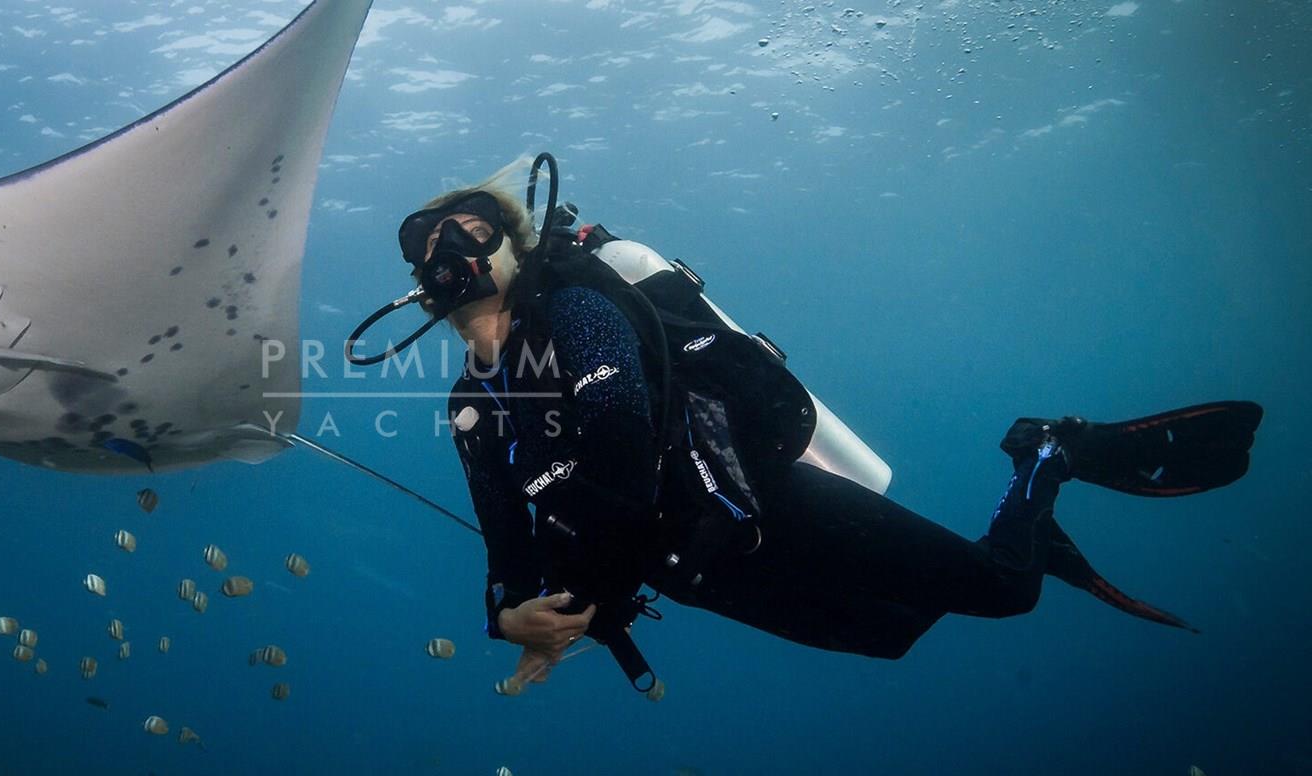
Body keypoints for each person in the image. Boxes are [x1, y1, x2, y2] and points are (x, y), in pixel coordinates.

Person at [353, 158, 1263, 693]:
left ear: (513, 247)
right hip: (694, 571)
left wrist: (583, 591)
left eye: (468, 227)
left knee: (1002, 590)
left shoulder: (578, 313)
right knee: (892, 634)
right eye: (423, 243)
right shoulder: (472, 409)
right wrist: (510, 619)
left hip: (758, 509)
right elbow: (504, 541)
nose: (445, 249)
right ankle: (1030, 515)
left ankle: (1047, 457)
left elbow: (624, 447)